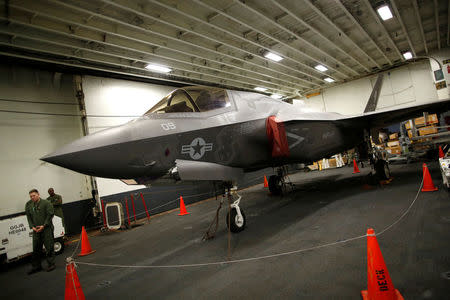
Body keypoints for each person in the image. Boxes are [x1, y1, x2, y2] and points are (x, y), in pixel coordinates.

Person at [25, 189, 55, 274]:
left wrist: (44, 225)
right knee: (36, 248)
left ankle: (51, 264)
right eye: (31, 196)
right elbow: (29, 217)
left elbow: (50, 215)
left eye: (34, 195)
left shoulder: (46, 203)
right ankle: (36, 266)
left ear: (38, 194)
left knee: (49, 247)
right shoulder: (29, 205)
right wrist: (32, 227)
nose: (32, 197)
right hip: (36, 230)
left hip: (46, 229)